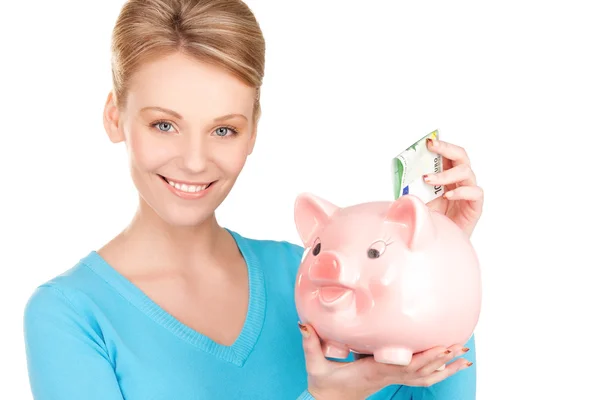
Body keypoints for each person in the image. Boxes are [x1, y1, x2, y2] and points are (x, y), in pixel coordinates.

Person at [22, 0, 484, 399]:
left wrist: (439, 268)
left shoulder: (312, 279)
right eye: (164, 124)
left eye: (223, 129)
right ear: (114, 117)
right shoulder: (71, 316)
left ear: (252, 132)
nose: (195, 161)